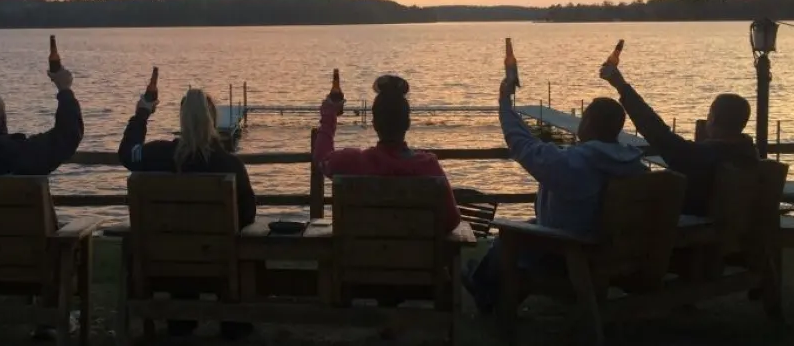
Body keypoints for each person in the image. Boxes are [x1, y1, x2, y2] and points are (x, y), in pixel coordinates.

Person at [464, 77, 648, 314]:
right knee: (527, 229)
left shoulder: (574, 164)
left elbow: (522, 144)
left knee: (510, 238)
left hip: (572, 255)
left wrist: (504, 102)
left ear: (589, 123)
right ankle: (483, 282)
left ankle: (487, 294)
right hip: (613, 250)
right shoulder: (634, 165)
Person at [117, 88, 256, 339]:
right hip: (220, 268)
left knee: (179, 247)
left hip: (166, 267)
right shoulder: (230, 165)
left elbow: (127, 153)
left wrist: (142, 114)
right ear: (213, 120)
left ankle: (180, 322)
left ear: (181, 119)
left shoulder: (157, 155)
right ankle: (234, 323)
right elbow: (248, 216)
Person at [600, 65, 758, 216]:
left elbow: (656, 131)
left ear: (714, 119)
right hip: (732, 224)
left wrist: (621, 86)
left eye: (709, 114)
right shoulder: (750, 153)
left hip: (698, 227)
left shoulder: (701, 155)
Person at [313, 74, 461, 232]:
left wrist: (329, 116)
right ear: (407, 123)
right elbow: (451, 220)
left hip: (363, 255)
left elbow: (321, 157)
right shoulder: (428, 167)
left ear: (374, 124)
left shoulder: (352, 162)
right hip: (413, 255)